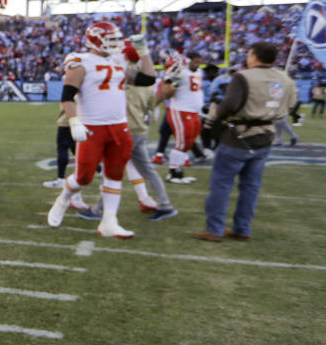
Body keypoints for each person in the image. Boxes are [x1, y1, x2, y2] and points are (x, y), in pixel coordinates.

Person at [47, 22, 156, 238]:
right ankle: (63, 199)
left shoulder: (117, 62)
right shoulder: (80, 61)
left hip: (119, 126)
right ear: (96, 40)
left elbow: (148, 78)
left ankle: (109, 222)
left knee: (115, 174)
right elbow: (67, 96)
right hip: (92, 128)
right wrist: (74, 121)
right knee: (84, 177)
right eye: (112, 39)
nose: (116, 44)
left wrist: (144, 53)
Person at [193, 41, 296, 241]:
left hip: (239, 136)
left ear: (254, 56)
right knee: (251, 186)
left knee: (221, 184)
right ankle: (242, 229)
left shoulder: (243, 76)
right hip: (266, 135)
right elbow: (290, 106)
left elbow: (230, 104)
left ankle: (214, 229)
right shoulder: (285, 79)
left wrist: (218, 114)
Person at [76, 36, 177, 222]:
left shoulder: (121, 75)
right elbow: (151, 105)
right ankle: (165, 204)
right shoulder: (144, 80)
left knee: (110, 171)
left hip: (123, 129)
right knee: (146, 170)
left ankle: (98, 210)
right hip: (139, 129)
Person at [159, 51, 203, 183]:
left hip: (194, 112)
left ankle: (178, 171)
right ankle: (173, 173)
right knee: (182, 142)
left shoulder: (197, 71)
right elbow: (166, 94)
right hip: (181, 110)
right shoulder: (174, 73)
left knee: (189, 142)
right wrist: (176, 82)